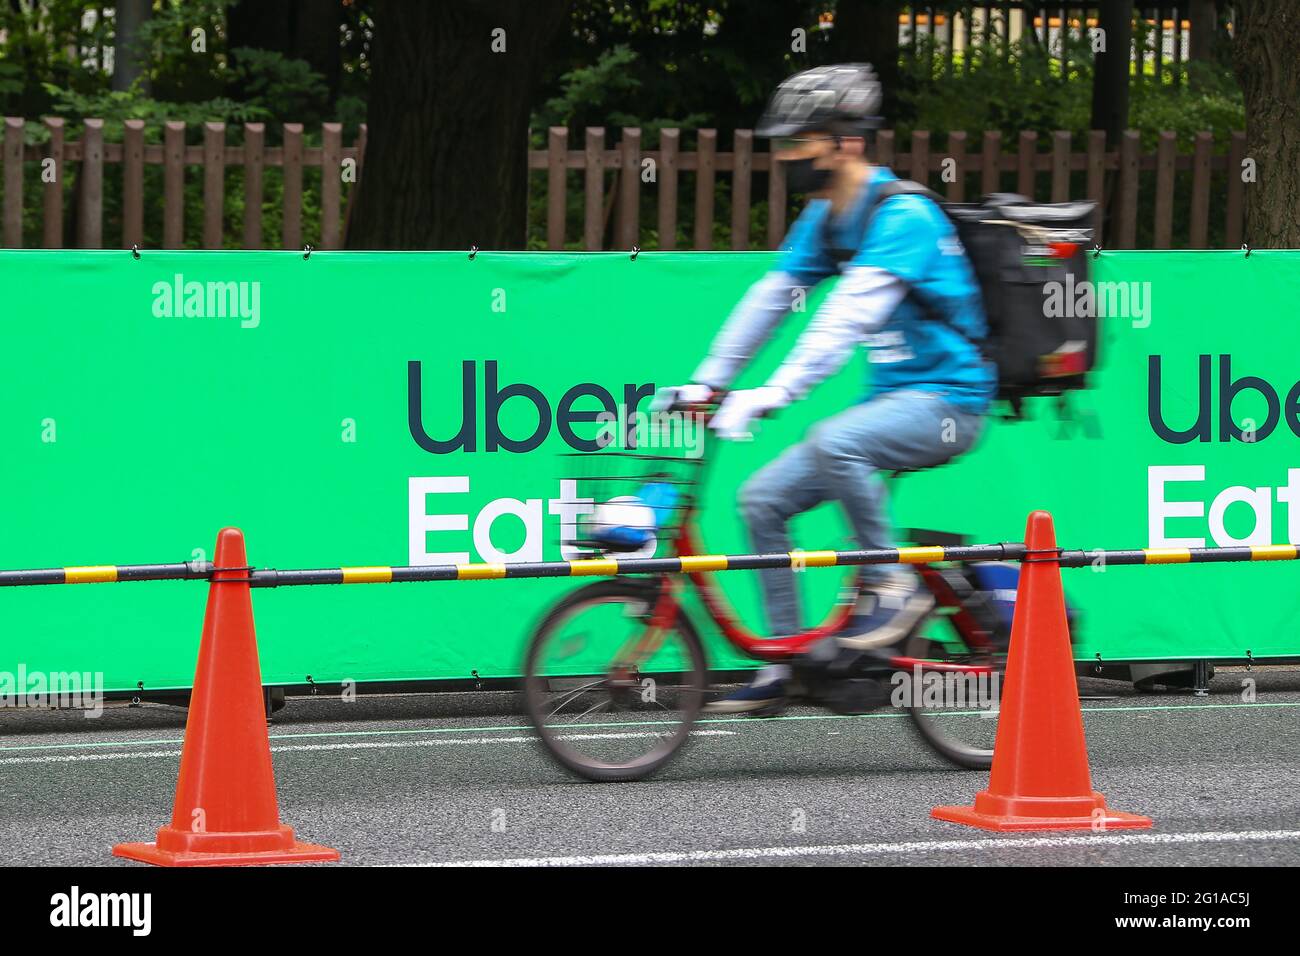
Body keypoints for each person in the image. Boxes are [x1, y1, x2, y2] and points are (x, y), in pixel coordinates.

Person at [654, 64, 995, 715]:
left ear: (846, 141)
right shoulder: (827, 218)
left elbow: (849, 316)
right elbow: (773, 298)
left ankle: (888, 582)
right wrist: (710, 381)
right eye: (780, 143)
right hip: (892, 403)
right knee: (761, 500)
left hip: (950, 400)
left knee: (836, 441)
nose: (784, 156)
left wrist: (774, 393)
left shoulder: (905, 216)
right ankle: (785, 664)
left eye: (798, 141)